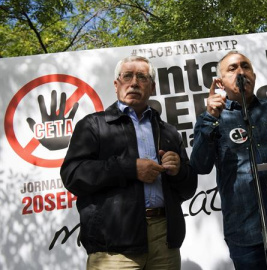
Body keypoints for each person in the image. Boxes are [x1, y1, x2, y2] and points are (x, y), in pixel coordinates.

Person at [61, 55, 197, 270]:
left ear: (152, 87)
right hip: (113, 245)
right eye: (127, 76)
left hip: (165, 241)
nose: (134, 82)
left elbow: (189, 188)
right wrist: (129, 168)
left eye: (142, 77)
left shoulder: (168, 131)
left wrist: (179, 171)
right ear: (116, 85)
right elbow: (72, 175)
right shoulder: (93, 125)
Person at [190, 51, 267, 269]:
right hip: (244, 232)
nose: (240, 72)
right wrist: (211, 116)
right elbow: (200, 165)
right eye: (232, 68)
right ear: (220, 82)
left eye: (245, 66)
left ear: (254, 75)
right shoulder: (212, 119)